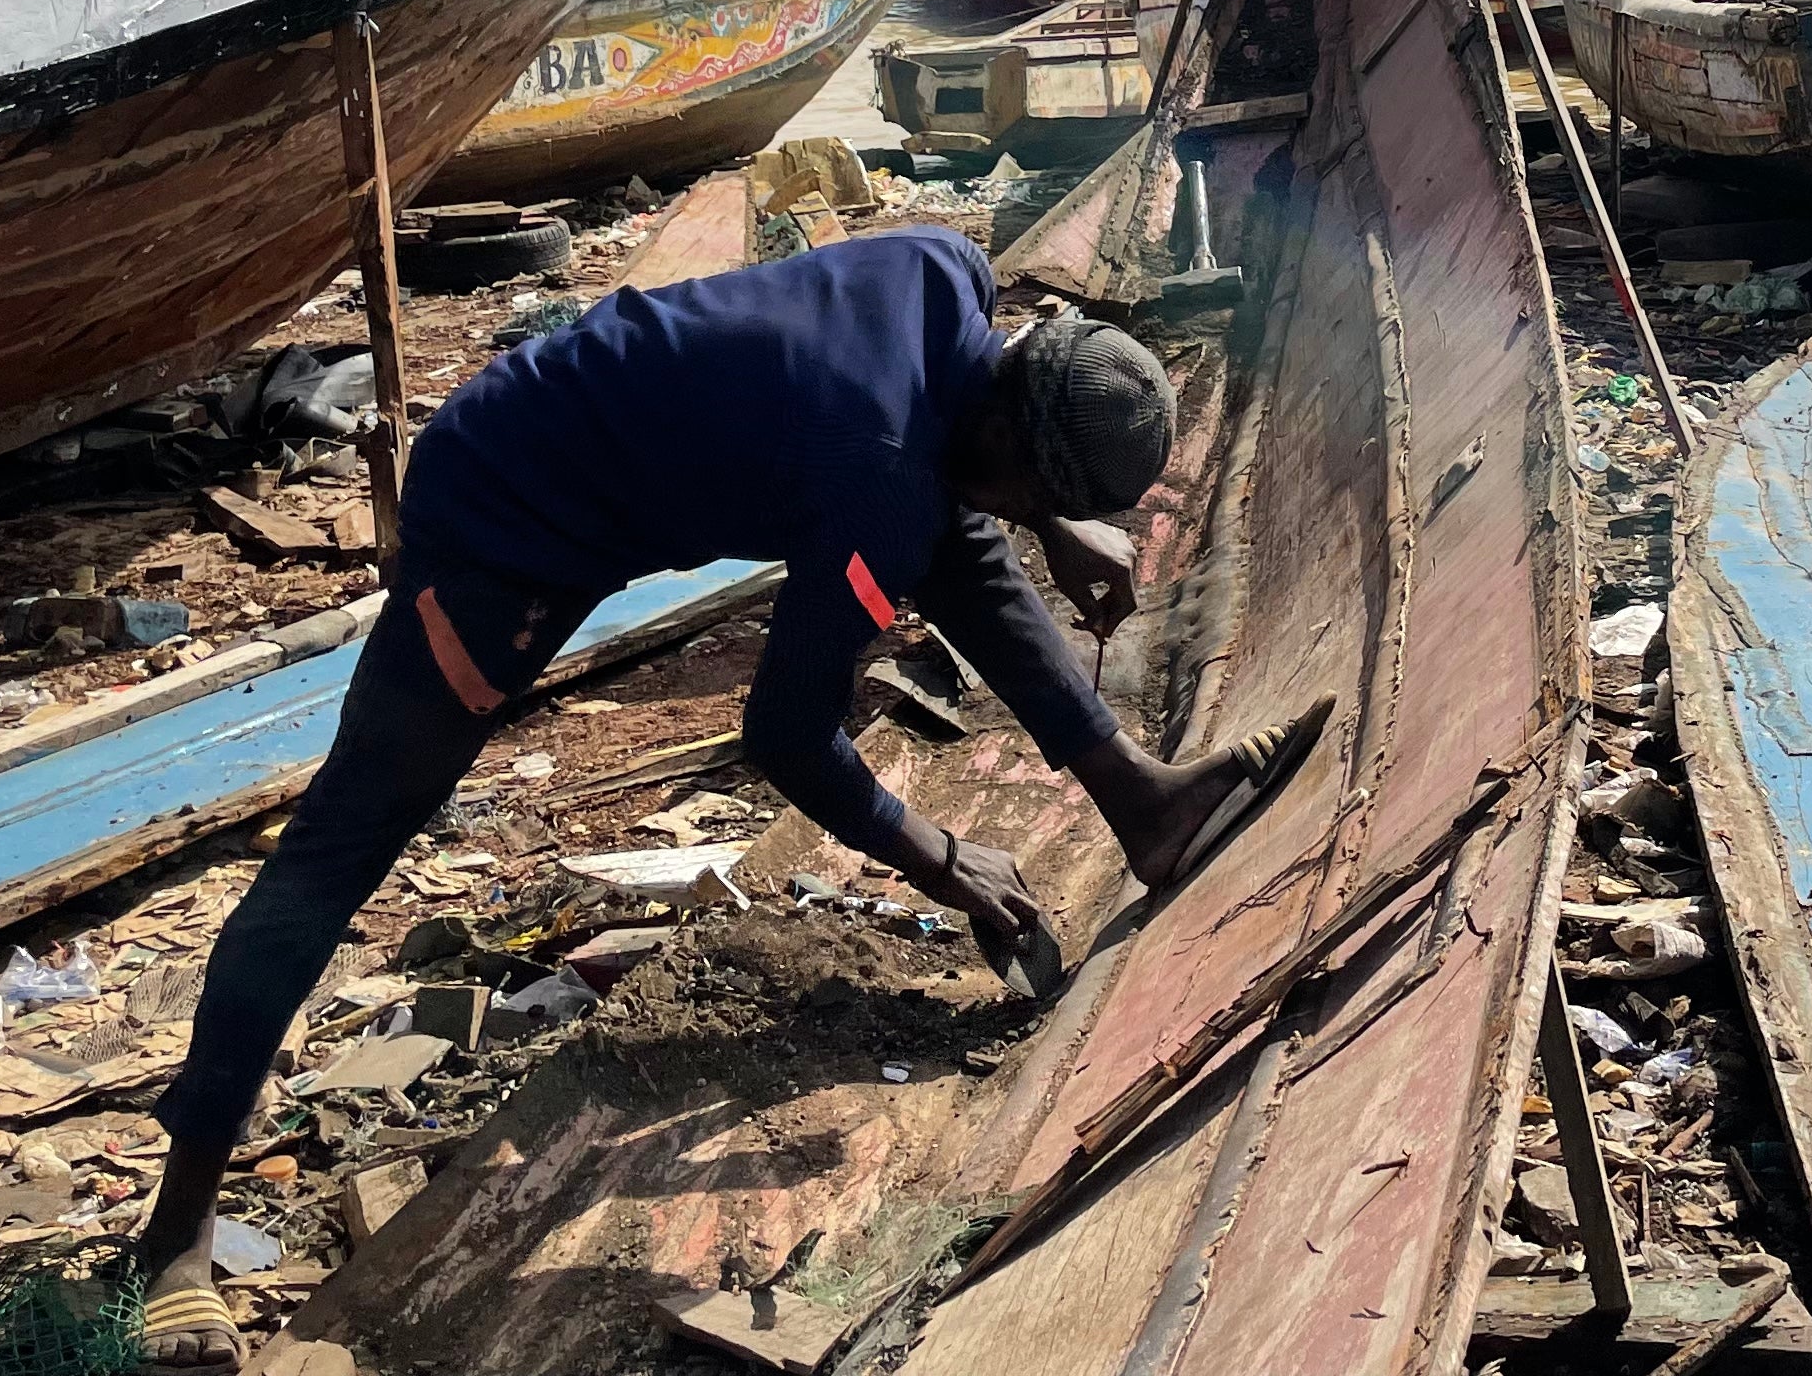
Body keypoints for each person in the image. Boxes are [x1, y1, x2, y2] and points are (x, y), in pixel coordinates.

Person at [129, 224, 1322, 1370]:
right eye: (1020, 489)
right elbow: (787, 736)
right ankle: (176, 1235)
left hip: (595, 412)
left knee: (944, 526)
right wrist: (944, 858)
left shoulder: (944, 270)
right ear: (1010, 421)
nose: (1009, 511)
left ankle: (1143, 804)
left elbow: (952, 495)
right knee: (340, 847)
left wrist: (1050, 516)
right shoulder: (879, 476)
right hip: (505, 514)